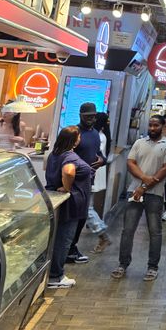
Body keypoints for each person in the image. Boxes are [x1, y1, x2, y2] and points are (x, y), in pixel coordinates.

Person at [112, 115, 166, 281]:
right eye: (150, 125)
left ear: (162, 126)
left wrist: (144, 186)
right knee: (128, 230)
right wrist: (145, 179)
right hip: (134, 193)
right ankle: (122, 264)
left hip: (154, 195)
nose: (152, 128)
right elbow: (131, 163)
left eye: (156, 125)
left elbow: (165, 169)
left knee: (155, 232)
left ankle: (152, 267)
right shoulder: (139, 143)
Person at [44, 126, 92, 289]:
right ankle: (56, 276)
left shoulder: (55, 154)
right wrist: (67, 187)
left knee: (56, 238)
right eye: (78, 136)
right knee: (63, 240)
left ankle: (51, 272)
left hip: (56, 201)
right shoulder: (70, 156)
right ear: (75, 139)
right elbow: (69, 171)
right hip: (69, 205)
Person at [68, 103, 108, 264]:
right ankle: (67, 248)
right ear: (80, 115)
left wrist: (102, 161)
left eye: (93, 116)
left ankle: (72, 247)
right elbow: (64, 154)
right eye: (88, 116)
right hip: (72, 182)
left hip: (87, 180)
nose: (91, 119)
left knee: (81, 217)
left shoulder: (95, 135)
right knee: (71, 218)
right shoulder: (74, 133)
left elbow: (98, 155)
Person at [85, 113, 113, 254]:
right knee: (87, 207)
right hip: (95, 173)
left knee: (86, 208)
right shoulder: (103, 135)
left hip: (92, 174)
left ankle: (102, 234)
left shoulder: (97, 136)